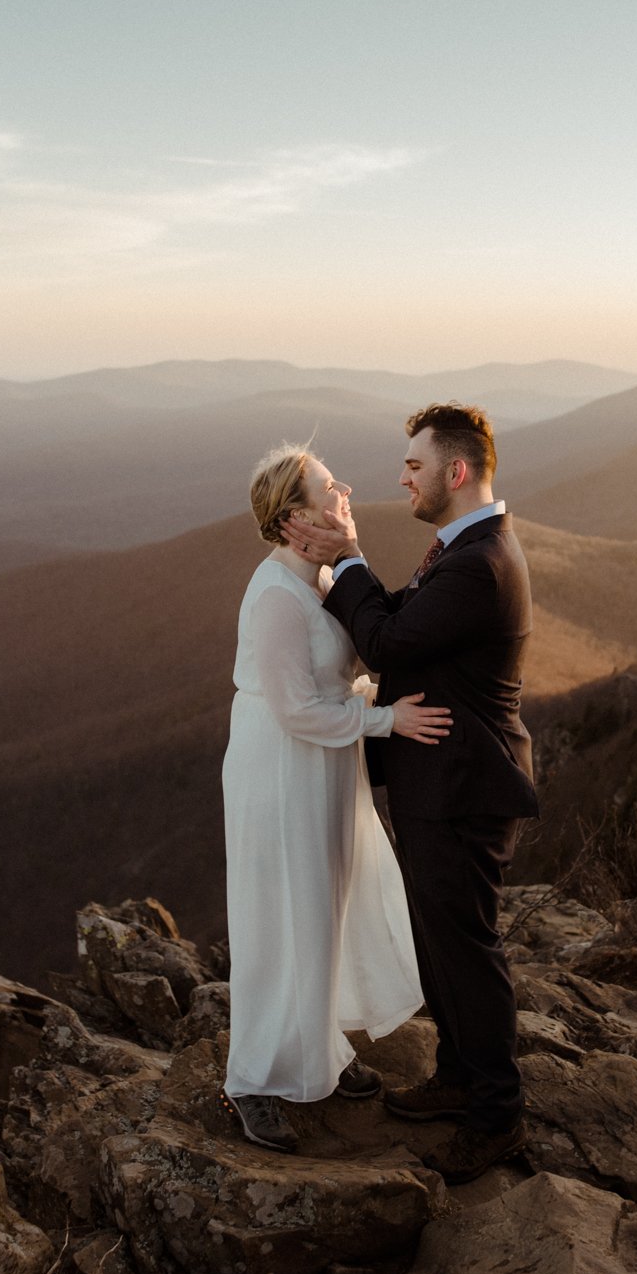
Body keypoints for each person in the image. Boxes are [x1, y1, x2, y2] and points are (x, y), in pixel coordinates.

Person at [281, 401, 539, 1185]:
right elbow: (400, 620)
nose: (404, 478)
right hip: (443, 782)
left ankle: (497, 1116)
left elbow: (388, 640)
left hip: (465, 787)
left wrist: (349, 556)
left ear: (454, 472)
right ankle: (459, 1078)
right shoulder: (463, 549)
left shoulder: (480, 563)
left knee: (466, 946)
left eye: (415, 466)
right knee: (441, 940)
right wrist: (343, 578)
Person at [219, 443, 449, 1154]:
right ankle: (252, 1078)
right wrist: (387, 719)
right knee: (280, 915)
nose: (344, 488)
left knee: (327, 904)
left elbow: (358, 644)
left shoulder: (317, 577)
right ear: (295, 517)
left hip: (323, 766)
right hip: (283, 767)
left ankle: (317, 1051)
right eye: (327, 486)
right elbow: (293, 708)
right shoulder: (278, 595)